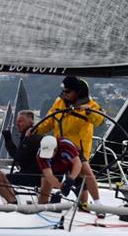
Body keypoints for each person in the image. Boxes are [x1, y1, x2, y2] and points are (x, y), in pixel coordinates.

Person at [34, 76, 103, 205]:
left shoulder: (91, 105)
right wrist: (35, 130)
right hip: (58, 146)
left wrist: (89, 112)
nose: (65, 94)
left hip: (78, 149)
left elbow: (100, 120)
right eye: (63, 91)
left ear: (77, 92)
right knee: (47, 179)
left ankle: (94, 204)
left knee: (84, 176)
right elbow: (49, 121)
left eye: (68, 92)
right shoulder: (59, 102)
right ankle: (41, 205)